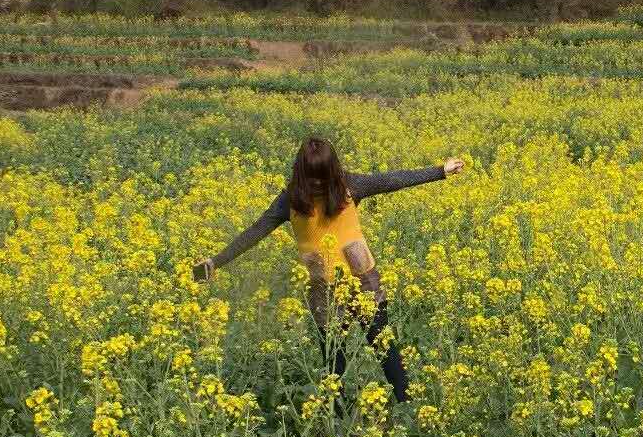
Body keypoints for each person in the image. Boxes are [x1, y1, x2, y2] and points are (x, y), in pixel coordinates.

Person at [194, 137, 464, 403]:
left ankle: (409, 407)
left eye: (322, 177)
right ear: (301, 173)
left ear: (332, 171)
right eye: (313, 178)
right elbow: (256, 231)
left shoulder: (349, 185)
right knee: (334, 358)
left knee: (384, 347)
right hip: (323, 289)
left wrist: (440, 171)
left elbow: (391, 180)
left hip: (363, 281)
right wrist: (215, 262)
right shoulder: (289, 199)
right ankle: (337, 421)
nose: (318, 184)